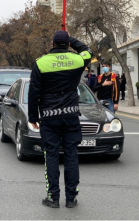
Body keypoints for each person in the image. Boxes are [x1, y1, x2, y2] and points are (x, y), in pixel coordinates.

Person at [28, 30, 92, 208]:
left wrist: (33, 116)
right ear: (68, 44)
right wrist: (72, 40)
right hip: (71, 115)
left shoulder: (41, 63)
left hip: (49, 117)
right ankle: (71, 198)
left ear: (52, 44)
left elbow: (34, 92)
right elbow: (88, 51)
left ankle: (53, 197)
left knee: (51, 155)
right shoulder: (78, 60)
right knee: (71, 154)